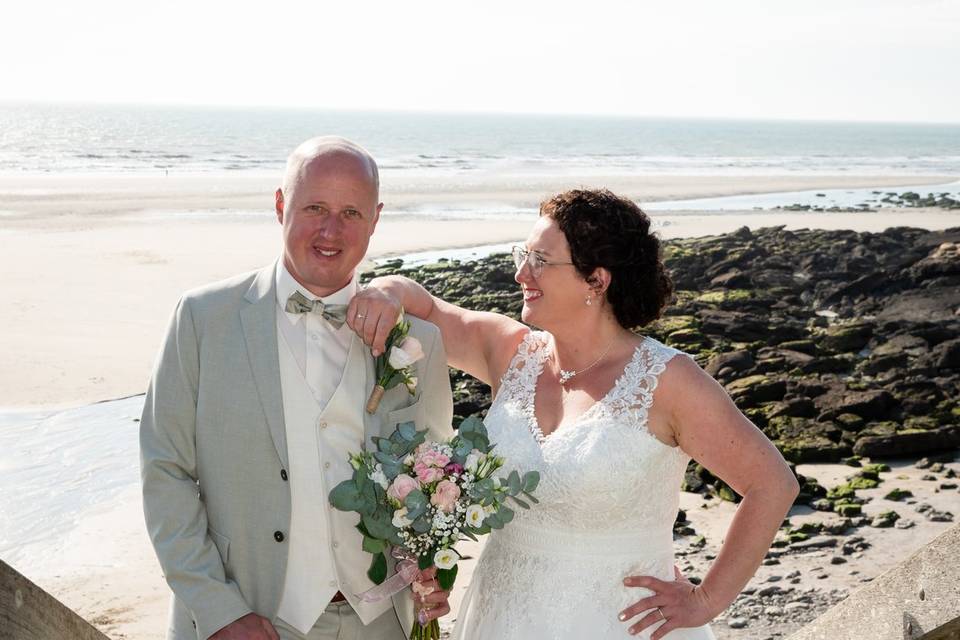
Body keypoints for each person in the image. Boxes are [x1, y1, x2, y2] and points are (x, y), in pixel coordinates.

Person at [347, 189, 800, 639]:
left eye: (540, 260)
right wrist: (384, 291)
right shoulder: (511, 352)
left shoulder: (667, 380)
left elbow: (772, 484)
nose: (522, 273)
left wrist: (706, 600)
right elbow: (423, 305)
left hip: (615, 623)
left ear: (596, 281)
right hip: (502, 616)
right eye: (522, 255)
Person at [140, 136, 454, 640]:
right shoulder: (202, 319)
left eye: (352, 212)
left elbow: (436, 482)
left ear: (376, 219)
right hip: (250, 619)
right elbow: (165, 472)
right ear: (281, 205)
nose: (331, 230)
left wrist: (431, 567)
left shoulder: (419, 343)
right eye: (315, 208)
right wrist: (218, 608)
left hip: (384, 621)